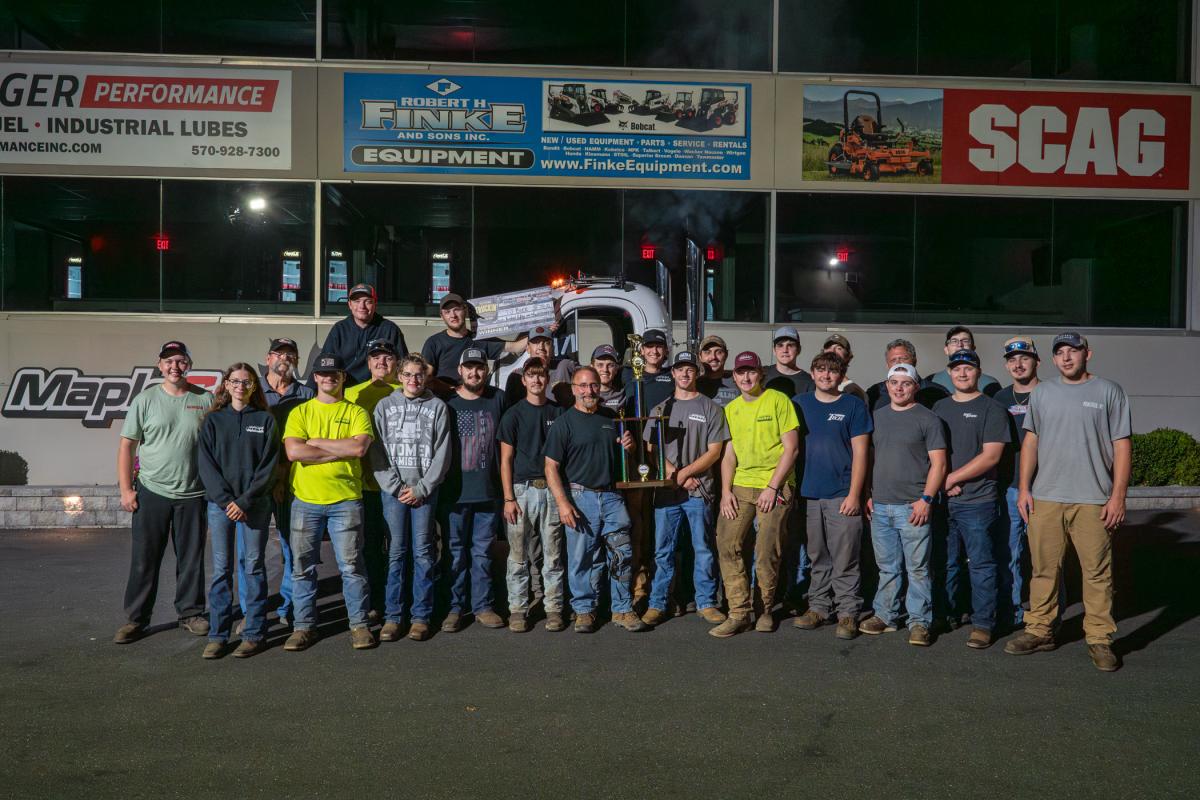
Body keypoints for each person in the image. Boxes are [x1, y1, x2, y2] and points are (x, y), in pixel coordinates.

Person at [1007, 333, 1131, 672]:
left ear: (1087, 354)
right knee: (1043, 570)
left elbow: (1122, 445)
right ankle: (1039, 630)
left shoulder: (1109, 391)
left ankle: (1100, 639)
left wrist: (1118, 496)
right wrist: (1024, 488)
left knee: (1097, 573)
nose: (1066, 357)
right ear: (1053, 358)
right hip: (1046, 497)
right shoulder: (1042, 393)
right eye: (1060, 352)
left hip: (1093, 499)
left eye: (1072, 351)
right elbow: (1030, 442)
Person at [113, 341, 214, 644]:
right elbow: (127, 446)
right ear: (159, 365)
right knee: (144, 559)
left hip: (193, 494)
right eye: (168, 361)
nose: (174, 367)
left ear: (189, 364)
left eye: (180, 361)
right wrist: (126, 489)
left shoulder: (205, 399)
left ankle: (190, 613)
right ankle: (136, 619)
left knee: (191, 560)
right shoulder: (145, 400)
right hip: (152, 491)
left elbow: (215, 445)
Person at [281, 353, 376, 652]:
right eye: (323, 374)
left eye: (335, 373)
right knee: (302, 568)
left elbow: (358, 449)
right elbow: (294, 453)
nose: (329, 378)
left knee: (352, 567)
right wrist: (338, 450)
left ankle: (359, 625)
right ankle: (303, 627)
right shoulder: (300, 412)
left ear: (343, 377)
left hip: (345, 500)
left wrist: (315, 443)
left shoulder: (357, 412)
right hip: (305, 500)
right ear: (315, 378)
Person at [544, 366, 650, 633]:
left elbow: (626, 462)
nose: (588, 391)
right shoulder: (564, 423)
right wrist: (563, 503)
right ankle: (584, 611)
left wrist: (629, 448)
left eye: (593, 385)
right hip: (580, 497)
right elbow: (551, 467)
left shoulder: (611, 417)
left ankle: (622, 609)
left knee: (621, 553)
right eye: (582, 386)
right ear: (573, 389)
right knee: (582, 558)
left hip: (612, 496)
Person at [710, 352, 800, 638]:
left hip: (776, 486)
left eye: (751, 371)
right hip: (741, 485)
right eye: (741, 372)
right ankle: (739, 613)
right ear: (734, 376)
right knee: (727, 543)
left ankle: (764, 610)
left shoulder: (778, 400)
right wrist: (725, 492)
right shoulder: (731, 409)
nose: (746, 377)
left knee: (766, 550)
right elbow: (728, 456)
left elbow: (792, 449)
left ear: (760, 373)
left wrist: (773, 488)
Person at [858, 364, 947, 646]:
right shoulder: (877, 417)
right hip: (880, 505)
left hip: (913, 506)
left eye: (905, 383)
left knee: (918, 568)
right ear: (886, 386)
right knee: (887, 567)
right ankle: (885, 615)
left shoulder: (928, 419)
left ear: (915, 387)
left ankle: (919, 622)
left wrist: (926, 499)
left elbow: (939, 464)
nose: (899, 388)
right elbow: (870, 459)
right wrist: (868, 493)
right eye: (894, 382)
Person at [196, 363, 279, 659]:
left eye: (246, 382)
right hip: (220, 507)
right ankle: (218, 635)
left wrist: (244, 501)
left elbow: (268, 467)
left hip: (254, 505)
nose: (240, 386)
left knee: (253, 567)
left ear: (254, 386)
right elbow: (206, 465)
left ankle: (254, 633)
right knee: (222, 570)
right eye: (235, 381)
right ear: (227, 385)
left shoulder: (265, 420)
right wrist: (226, 501)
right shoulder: (213, 421)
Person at [641, 351, 730, 626]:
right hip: (667, 493)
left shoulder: (711, 409)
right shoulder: (660, 409)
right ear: (673, 373)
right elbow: (651, 448)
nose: (685, 374)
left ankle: (706, 602)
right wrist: (674, 474)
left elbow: (715, 452)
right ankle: (658, 603)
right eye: (680, 369)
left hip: (699, 491)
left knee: (702, 548)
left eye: (690, 369)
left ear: (697, 372)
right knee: (663, 550)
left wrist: (685, 474)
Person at [932, 349, 1012, 650]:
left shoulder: (992, 408)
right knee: (946, 562)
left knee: (981, 564)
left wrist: (951, 479)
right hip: (943, 501)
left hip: (977, 501)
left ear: (978, 372)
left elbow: (991, 456)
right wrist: (942, 483)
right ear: (949, 373)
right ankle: (949, 614)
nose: (962, 373)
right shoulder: (939, 406)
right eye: (957, 368)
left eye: (968, 368)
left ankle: (983, 624)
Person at [370, 353, 452, 643]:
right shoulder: (384, 407)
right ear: (399, 377)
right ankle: (393, 616)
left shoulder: (438, 407)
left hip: (424, 493)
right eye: (408, 375)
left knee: (424, 552)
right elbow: (376, 452)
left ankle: (421, 617)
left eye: (419, 375)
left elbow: (443, 452)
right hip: (393, 493)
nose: (413, 380)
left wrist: (422, 488)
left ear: (426, 377)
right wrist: (395, 487)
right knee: (396, 552)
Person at [791, 352, 872, 640]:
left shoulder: (853, 405)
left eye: (832, 370)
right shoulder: (799, 404)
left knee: (845, 557)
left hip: (842, 495)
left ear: (841, 375)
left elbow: (861, 453)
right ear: (812, 373)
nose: (826, 375)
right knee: (817, 556)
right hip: (809, 495)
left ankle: (848, 612)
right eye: (821, 370)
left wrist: (854, 495)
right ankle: (818, 608)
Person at [440, 347, 507, 632]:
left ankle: (483, 606)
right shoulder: (447, 402)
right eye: (469, 367)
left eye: (479, 367)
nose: (474, 372)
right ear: (460, 370)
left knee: (483, 553)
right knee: (454, 552)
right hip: (454, 493)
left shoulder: (498, 399)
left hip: (488, 491)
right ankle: (454, 608)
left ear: (486, 371)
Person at [498, 357, 567, 632]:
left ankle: (554, 608)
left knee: (553, 554)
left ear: (547, 379)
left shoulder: (558, 413)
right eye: (531, 375)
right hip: (521, 491)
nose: (536, 380)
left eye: (541, 375)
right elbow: (506, 460)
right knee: (518, 555)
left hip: (551, 490)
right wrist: (508, 498)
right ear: (524, 380)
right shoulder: (513, 415)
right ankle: (517, 609)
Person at [344, 338, 401, 622]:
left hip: (398, 485)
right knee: (368, 548)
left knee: (398, 548)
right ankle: (374, 601)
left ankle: (397, 602)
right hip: (363, 484)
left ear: (396, 363)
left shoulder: (405, 389)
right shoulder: (351, 393)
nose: (382, 362)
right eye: (376, 357)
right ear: (368, 363)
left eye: (387, 357)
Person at [259, 337, 314, 628]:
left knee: (292, 548)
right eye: (279, 354)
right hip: (257, 483)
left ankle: (288, 606)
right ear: (268, 359)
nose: (285, 358)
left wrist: (283, 475)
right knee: (251, 554)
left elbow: (310, 440)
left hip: (292, 482)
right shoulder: (254, 391)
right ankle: (252, 612)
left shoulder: (307, 394)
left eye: (291, 354)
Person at [619, 328, 674, 609]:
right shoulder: (627, 377)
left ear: (665, 351)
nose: (653, 351)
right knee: (638, 523)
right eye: (649, 347)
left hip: (666, 461)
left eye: (658, 347)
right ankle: (638, 585)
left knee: (664, 526)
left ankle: (668, 589)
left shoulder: (673, 377)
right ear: (640, 351)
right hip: (637, 461)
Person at [992, 336, 1040, 629]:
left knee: (1045, 557)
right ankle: (1012, 612)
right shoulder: (999, 399)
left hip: (1045, 487)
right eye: (1012, 360)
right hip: (1009, 487)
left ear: (1036, 361)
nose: (1018, 364)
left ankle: (1046, 613)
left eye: (1024, 358)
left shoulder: (1050, 394)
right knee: (1009, 553)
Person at [421, 293, 527, 391]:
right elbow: (426, 376)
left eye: (456, 309)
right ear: (442, 316)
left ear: (465, 310)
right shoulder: (433, 342)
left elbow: (516, 347)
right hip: (445, 397)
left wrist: (536, 328)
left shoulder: (478, 339)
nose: (453, 315)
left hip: (475, 395)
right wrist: (453, 389)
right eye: (447, 312)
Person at [317, 284, 406, 385]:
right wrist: (311, 390)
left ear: (375, 303)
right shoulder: (339, 330)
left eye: (368, 301)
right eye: (357, 301)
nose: (362, 306)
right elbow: (324, 364)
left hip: (381, 388)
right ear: (349, 304)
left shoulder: (389, 329)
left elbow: (403, 365)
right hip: (345, 389)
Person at [865, 339, 949, 412]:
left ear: (915, 361)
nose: (898, 363)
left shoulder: (938, 392)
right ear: (887, 365)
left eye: (903, 359)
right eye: (893, 360)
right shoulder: (875, 393)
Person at [503, 325, 574, 407]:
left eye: (546, 343)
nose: (541, 347)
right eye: (536, 342)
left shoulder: (564, 367)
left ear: (552, 348)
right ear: (528, 348)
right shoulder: (517, 376)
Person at [929, 326, 1001, 398]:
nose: (960, 345)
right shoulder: (931, 381)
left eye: (965, 341)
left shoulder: (991, 384)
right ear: (946, 350)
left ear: (973, 349)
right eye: (954, 341)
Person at [763, 326, 815, 397]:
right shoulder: (762, 374)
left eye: (790, 345)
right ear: (774, 350)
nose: (785, 350)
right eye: (780, 345)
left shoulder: (809, 381)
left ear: (799, 349)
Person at [821, 334, 867, 404]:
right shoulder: (817, 384)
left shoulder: (854, 392)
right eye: (829, 347)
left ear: (847, 357)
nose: (832, 351)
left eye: (839, 348)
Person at [696, 334, 738, 407]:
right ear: (700, 356)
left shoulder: (739, 383)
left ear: (726, 355)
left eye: (719, 352)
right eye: (707, 352)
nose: (713, 357)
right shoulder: (693, 386)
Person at [590, 344, 626, 413]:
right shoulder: (586, 394)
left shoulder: (623, 395)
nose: (605, 370)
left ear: (616, 369)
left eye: (610, 365)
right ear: (592, 368)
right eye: (600, 365)